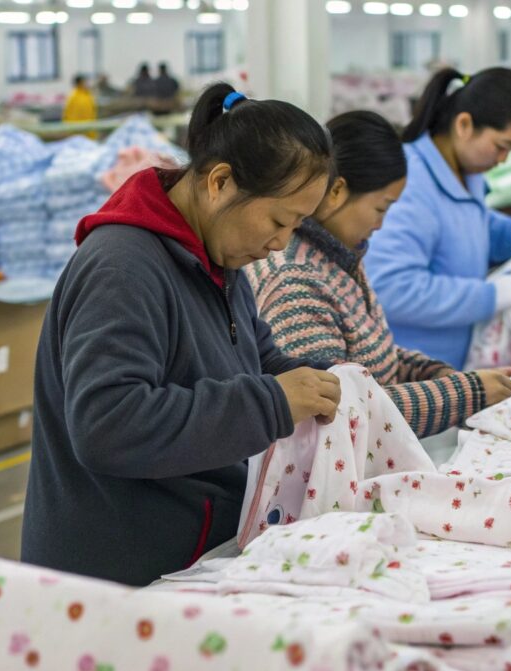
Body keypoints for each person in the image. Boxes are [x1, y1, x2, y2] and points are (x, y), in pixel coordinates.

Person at [21, 83, 339, 586]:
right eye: (280, 220)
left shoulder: (215, 258)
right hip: (117, 578)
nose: (281, 243)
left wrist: (325, 383)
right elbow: (108, 426)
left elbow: (254, 358)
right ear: (220, 183)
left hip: (189, 559)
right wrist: (272, 403)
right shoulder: (122, 269)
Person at [247, 110, 511, 439]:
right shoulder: (295, 281)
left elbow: (373, 358)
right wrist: (464, 393)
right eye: (381, 208)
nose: (381, 224)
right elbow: (338, 413)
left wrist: (435, 374)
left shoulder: (339, 256)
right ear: (336, 191)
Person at [364, 68, 511, 370]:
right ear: (464, 124)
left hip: (457, 363)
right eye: (501, 146)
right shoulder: (410, 184)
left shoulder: (465, 173)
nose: (503, 159)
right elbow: (392, 287)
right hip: (413, 372)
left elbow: (473, 227)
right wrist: (490, 297)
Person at [63, 75, 98, 139]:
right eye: (85, 82)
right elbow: (67, 116)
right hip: (77, 132)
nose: (88, 84)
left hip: (89, 131)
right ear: (80, 83)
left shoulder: (88, 95)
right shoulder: (74, 97)